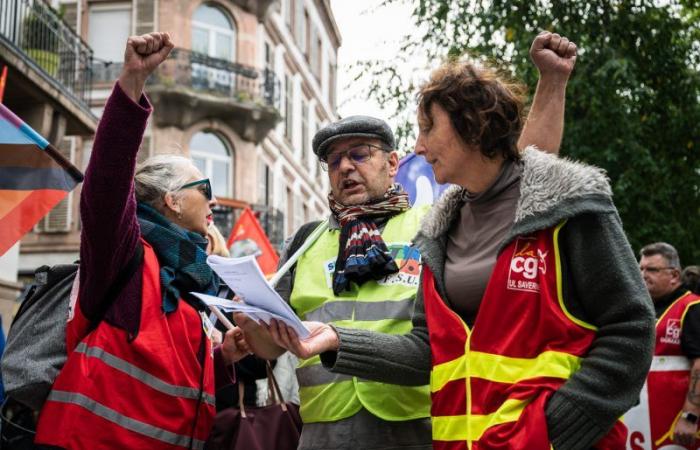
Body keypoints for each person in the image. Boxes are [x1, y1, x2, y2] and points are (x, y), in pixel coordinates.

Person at [265, 39, 656, 450]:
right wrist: (335, 339)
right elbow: (426, 349)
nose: (418, 146)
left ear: (472, 125)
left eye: (428, 128)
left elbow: (630, 327)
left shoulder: (564, 204)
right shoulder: (439, 230)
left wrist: (554, 431)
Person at [34, 33, 250, 449]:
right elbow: (107, 185)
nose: (215, 199)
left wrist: (223, 358)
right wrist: (132, 84)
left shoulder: (191, 279)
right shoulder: (126, 253)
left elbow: (171, 379)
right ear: (171, 199)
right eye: (203, 186)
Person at [639, 243, 700, 448]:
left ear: (674, 275)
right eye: (640, 269)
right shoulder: (642, 309)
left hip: (678, 426)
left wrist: (690, 416)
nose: (643, 275)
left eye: (652, 270)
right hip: (644, 425)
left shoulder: (691, 307)